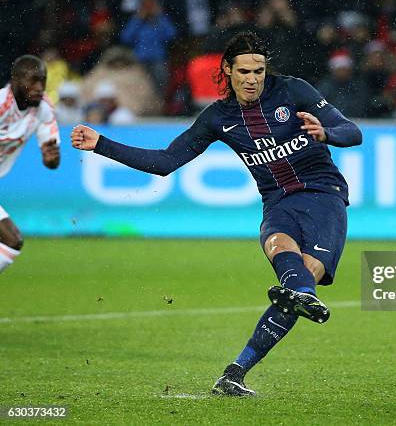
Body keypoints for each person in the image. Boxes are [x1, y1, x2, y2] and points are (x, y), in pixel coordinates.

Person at [71, 32, 362, 396]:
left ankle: (260, 341)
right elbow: (165, 162)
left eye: (259, 70)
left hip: (324, 197)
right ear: (228, 70)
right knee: (282, 256)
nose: (253, 78)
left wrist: (326, 134)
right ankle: (238, 370)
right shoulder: (219, 117)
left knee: (300, 282)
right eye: (244, 71)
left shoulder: (294, 91)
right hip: (278, 202)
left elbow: (353, 132)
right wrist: (102, 144)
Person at [0, 55, 60, 275]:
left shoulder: (43, 108)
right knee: (11, 239)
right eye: (32, 81)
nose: (38, 87)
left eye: (42, 81)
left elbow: (52, 160)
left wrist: (51, 157)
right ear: (15, 81)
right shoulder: (1, 104)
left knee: (12, 241)